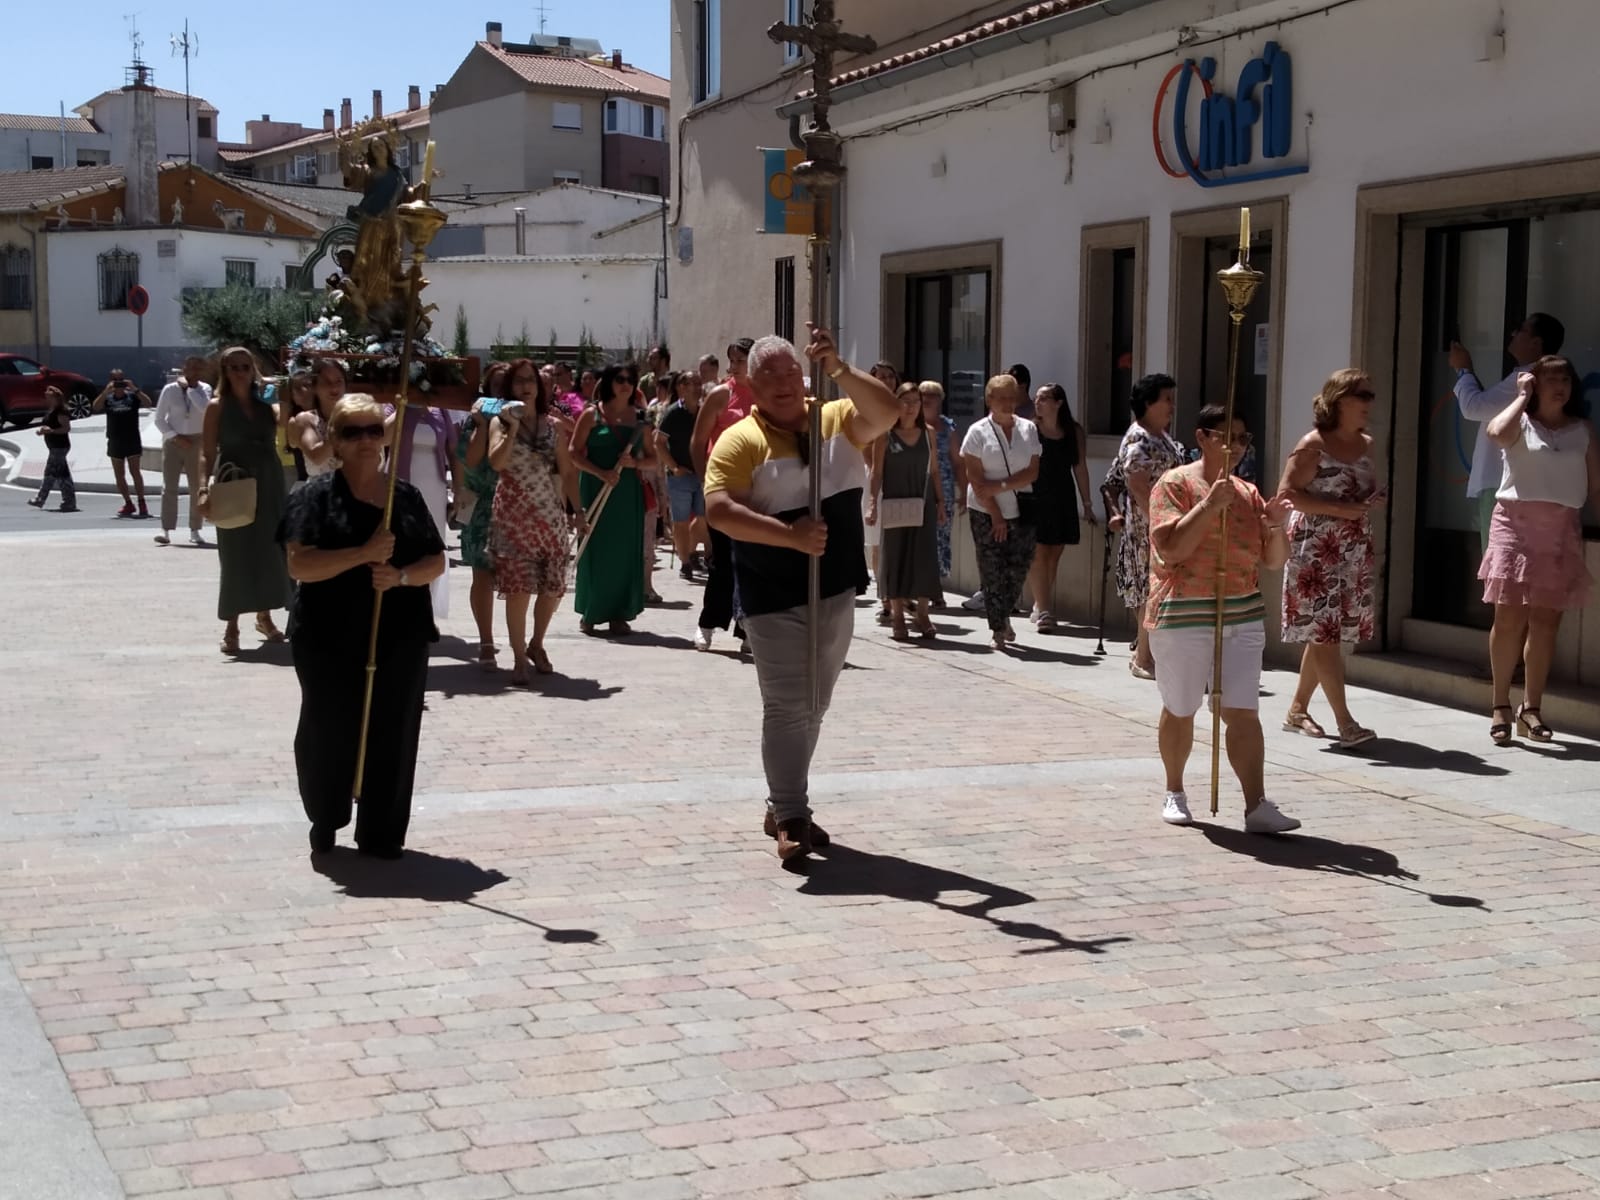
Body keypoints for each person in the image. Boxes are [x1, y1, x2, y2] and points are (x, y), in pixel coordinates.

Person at [704, 326, 899, 862]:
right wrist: (788, 535)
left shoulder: (834, 419)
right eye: (770, 377)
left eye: (792, 373)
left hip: (835, 584)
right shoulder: (740, 439)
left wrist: (839, 367)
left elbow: (884, 415)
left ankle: (782, 799)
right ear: (751, 384)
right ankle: (792, 812)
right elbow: (719, 509)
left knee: (815, 703)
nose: (784, 384)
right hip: (771, 592)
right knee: (789, 704)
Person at [279, 394, 446, 859]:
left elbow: (435, 560)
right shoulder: (312, 497)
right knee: (328, 728)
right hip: (327, 634)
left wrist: (401, 577)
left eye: (375, 430)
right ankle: (326, 815)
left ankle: (381, 831)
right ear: (334, 438)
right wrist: (362, 554)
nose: (366, 441)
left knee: (392, 729)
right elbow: (300, 565)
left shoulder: (404, 497)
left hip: (400, 633)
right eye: (353, 432)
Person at [1147, 404, 1300, 833]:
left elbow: (1272, 561)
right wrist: (1210, 505)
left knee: (1243, 710)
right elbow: (1172, 549)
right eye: (1226, 436)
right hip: (1184, 611)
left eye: (1244, 438)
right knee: (1181, 707)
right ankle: (1174, 790)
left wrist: (1275, 525)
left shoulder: (1248, 493)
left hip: (1242, 611)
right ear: (1203, 437)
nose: (1236, 446)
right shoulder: (1174, 484)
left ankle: (1257, 806)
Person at [1480, 357, 1599, 745]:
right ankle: (1500, 705)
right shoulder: (1520, 422)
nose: (1559, 385)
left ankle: (1531, 709)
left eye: (1565, 378)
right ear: (1535, 384)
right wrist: (1521, 395)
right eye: (1549, 379)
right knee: (1509, 618)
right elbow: (1496, 433)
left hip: (1560, 529)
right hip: (1515, 525)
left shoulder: (1582, 429)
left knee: (1546, 622)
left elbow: (1595, 483)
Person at [1279, 369, 1384, 748]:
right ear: (1340, 401)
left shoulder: (1367, 444)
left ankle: (1297, 710)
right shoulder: (1313, 444)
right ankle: (1345, 722)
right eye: (1363, 395)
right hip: (1315, 547)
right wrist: (1342, 511)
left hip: (1352, 547)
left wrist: (1369, 502)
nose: (1370, 403)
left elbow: (1360, 491)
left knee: (1327, 633)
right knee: (1325, 635)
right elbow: (1287, 495)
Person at [489, 359, 582, 684]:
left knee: (553, 588)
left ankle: (537, 643)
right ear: (509, 388)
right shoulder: (498, 424)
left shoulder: (553, 426)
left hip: (549, 515)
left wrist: (579, 513)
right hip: (514, 519)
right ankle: (517, 659)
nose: (526, 386)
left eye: (531, 381)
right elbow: (496, 462)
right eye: (519, 381)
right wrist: (512, 429)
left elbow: (568, 471)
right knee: (518, 590)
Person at [199, 347, 292, 654]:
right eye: (234, 367)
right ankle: (231, 624)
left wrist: (286, 392)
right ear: (224, 371)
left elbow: (284, 422)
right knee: (235, 552)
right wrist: (202, 488)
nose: (240, 372)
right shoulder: (217, 406)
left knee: (269, 548)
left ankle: (264, 617)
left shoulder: (264, 402)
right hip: (234, 481)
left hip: (268, 481)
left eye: (245, 366)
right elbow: (206, 452)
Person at [1451, 313, 1566, 555]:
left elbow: (1474, 407)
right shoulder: (1539, 378)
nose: (1513, 333)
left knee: (1499, 566)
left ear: (1536, 342)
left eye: (1521, 329)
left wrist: (1464, 370)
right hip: (1522, 484)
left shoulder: (1525, 378)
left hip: (1502, 483)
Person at [1108, 374, 1185, 679]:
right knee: (1149, 589)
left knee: (1157, 588)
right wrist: (1159, 522)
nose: (1172, 405)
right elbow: (1137, 483)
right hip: (1148, 527)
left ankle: (1148, 655)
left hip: (1165, 522)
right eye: (1166, 399)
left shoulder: (1161, 436)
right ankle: (1143, 658)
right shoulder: (1140, 438)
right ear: (1148, 403)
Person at [570, 363, 655, 635]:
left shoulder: (641, 419)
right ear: (608, 382)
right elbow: (573, 453)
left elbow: (654, 459)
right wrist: (601, 472)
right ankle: (591, 611)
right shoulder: (591, 415)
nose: (625, 384)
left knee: (624, 552)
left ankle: (620, 612)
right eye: (619, 379)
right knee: (596, 549)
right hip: (595, 488)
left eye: (630, 380)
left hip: (626, 492)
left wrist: (633, 464)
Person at [960, 375, 1041, 651]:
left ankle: (1003, 613)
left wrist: (1002, 485)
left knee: (1018, 567)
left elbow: (1033, 471)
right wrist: (995, 513)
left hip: (1022, 508)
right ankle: (997, 627)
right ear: (989, 400)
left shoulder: (1028, 429)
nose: (1008, 403)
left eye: (1012, 397)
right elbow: (976, 479)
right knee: (992, 569)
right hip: (984, 510)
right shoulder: (977, 432)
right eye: (1001, 398)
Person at [691, 338, 756, 651]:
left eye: (740, 359)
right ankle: (707, 623)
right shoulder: (720, 394)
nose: (733, 366)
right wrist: (706, 482)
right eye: (731, 360)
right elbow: (698, 441)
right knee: (723, 561)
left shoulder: (766, 394)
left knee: (751, 563)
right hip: (723, 489)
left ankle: (747, 630)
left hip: (756, 492)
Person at [869, 382, 944, 639]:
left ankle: (922, 614)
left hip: (922, 503)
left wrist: (941, 502)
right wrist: (871, 504)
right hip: (895, 502)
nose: (911, 407)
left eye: (916, 401)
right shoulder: (885, 435)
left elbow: (934, 470)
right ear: (895, 404)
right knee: (896, 556)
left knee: (923, 558)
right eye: (905, 400)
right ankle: (898, 616)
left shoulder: (929, 433)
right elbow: (876, 473)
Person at [1027, 383, 1096, 631]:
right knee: (1037, 552)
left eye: (1044, 398)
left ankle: (1039, 602)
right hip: (1035, 494)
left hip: (1062, 494)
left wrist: (1087, 503)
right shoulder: (1030, 429)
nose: (1038, 402)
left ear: (1058, 403)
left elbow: (1080, 467)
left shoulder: (1073, 431)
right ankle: (1045, 609)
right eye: (1037, 398)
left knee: (1054, 552)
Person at [387, 404, 460, 620]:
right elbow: (382, 435)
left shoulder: (441, 410)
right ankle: (401, 607)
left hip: (434, 486)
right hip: (401, 483)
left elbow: (453, 450)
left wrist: (459, 487)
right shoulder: (392, 405)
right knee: (403, 544)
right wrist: (403, 406)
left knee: (432, 546)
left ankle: (425, 611)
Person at [458, 392, 502, 670]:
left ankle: (527, 646)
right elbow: (469, 461)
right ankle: (487, 641)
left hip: (516, 502)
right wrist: (483, 427)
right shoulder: (472, 423)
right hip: (481, 504)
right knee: (482, 575)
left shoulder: (522, 420)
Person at [152, 356, 211, 544]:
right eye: (190, 368)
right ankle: (166, 529)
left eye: (197, 368)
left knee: (196, 487)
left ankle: (195, 529)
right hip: (174, 440)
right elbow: (159, 419)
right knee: (170, 486)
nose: (193, 372)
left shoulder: (205, 389)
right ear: (184, 369)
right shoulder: (170, 390)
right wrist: (174, 437)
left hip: (196, 440)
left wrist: (192, 389)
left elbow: (205, 410)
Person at [659, 368, 708, 580]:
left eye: (699, 384)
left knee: (704, 518)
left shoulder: (704, 411)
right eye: (693, 384)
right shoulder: (672, 413)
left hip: (703, 473)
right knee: (680, 521)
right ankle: (686, 562)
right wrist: (674, 467)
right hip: (681, 476)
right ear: (682, 388)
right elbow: (658, 443)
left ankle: (696, 553)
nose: (698, 389)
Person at [919, 381, 964, 589]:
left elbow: (958, 462)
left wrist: (963, 492)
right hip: (916, 486)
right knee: (919, 538)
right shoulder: (911, 423)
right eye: (922, 394)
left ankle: (935, 587)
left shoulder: (948, 427)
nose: (926, 398)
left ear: (940, 400)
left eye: (932, 395)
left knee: (940, 537)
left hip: (943, 491)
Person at [94, 368, 152, 518]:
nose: (118, 384)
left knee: (135, 472)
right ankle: (128, 503)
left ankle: (141, 502)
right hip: (115, 440)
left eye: (121, 380)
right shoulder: (108, 398)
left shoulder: (132, 397)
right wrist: (105, 392)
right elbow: (95, 407)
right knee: (119, 475)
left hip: (131, 439)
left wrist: (135, 388)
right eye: (115, 380)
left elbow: (148, 403)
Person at [28, 387, 77, 511]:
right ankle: (69, 501)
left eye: (48, 395)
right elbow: (50, 425)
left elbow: (66, 428)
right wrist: (43, 431)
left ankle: (40, 498)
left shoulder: (61, 411)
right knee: (62, 475)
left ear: (55, 397)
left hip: (59, 446)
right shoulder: (52, 410)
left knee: (49, 473)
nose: (46, 397)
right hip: (54, 446)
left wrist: (52, 431)